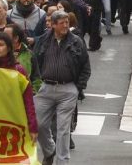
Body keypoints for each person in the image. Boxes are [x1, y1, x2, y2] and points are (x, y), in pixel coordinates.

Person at [33, 11, 91, 165]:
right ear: (53, 25)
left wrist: (77, 88)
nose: (66, 25)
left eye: (67, 22)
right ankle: (50, 150)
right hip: (45, 88)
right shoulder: (44, 40)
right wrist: (38, 82)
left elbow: (85, 66)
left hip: (68, 89)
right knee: (38, 124)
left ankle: (62, 162)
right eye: (62, 23)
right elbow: (36, 59)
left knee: (63, 129)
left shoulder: (76, 41)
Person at [0, 32, 38, 143]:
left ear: (9, 48)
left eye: (1, 44)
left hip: (13, 121)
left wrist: (32, 127)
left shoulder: (18, 70)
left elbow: (28, 100)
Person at [4, 24, 42, 92]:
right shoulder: (1, 53)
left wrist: (32, 93)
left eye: (6, 36)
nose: (2, 38)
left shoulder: (29, 54)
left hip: (24, 94)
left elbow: (36, 78)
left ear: (16, 38)